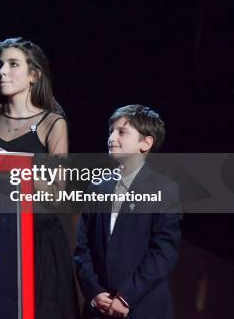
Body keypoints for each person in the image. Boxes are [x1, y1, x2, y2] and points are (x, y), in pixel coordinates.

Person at [0, 37, 80, 319]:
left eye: (13, 64)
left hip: (39, 243)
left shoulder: (52, 124)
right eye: (0, 65)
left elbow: (57, 193)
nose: (2, 71)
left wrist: (5, 158)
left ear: (34, 75)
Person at [74, 105, 181, 318]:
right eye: (111, 131)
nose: (111, 138)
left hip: (143, 308)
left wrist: (125, 297)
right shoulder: (98, 187)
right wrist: (94, 292)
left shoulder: (164, 189)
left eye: (122, 132)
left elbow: (163, 253)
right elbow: (81, 249)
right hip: (98, 309)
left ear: (146, 143)